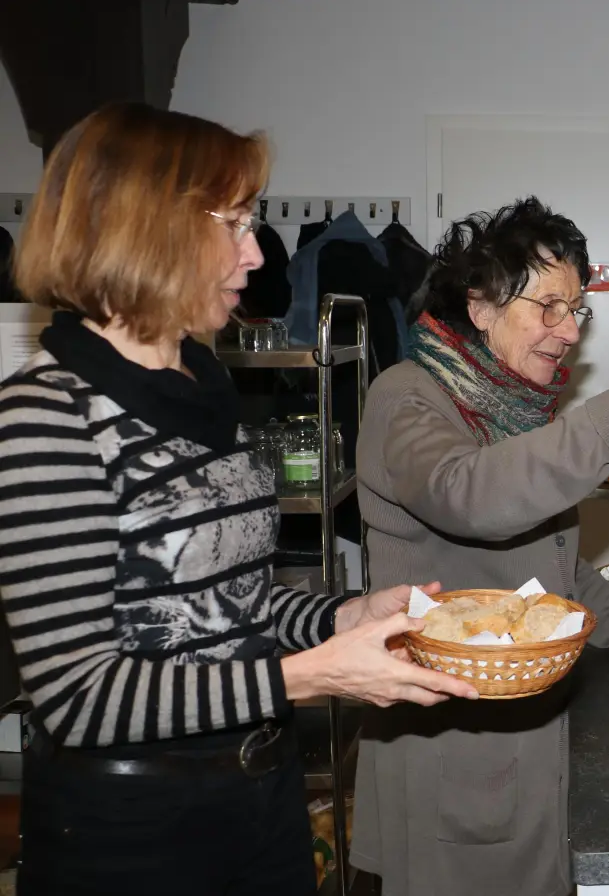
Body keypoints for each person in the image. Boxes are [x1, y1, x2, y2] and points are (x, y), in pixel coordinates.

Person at [0, 103, 479, 896]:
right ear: (143, 227)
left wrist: (338, 618)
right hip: (131, 832)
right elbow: (77, 695)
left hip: (258, 798)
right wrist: (312, 675)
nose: (255, 254)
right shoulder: (46, 413)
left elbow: (230, 609)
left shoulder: (202, 381)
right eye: (234, 223)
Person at [350, 196, 609, 894]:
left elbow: (548, 566)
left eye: (576, 309)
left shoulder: (515, 408)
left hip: (516, 741)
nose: (567, 331)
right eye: (547, 306)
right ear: (483, 305)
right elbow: (472, 497)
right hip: (448, 750)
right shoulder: (407, 398)